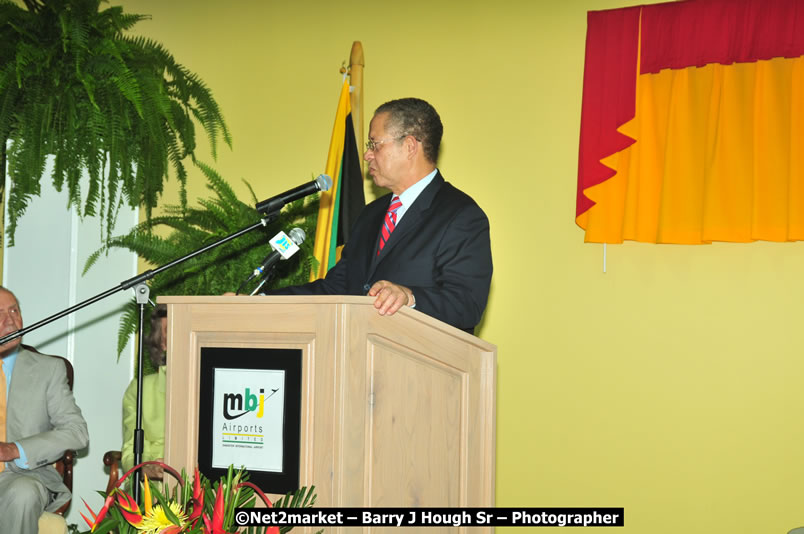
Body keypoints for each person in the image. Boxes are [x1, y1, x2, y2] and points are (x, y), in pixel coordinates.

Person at [270, 98, 493, 334]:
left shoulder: (460, 215)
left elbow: (467, 303)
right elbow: (336, 288)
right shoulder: (371, 214)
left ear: (409, 146)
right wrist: (262, 301)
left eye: (375, 144)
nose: (367, 155)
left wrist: (410, 297)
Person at [0, 286, 89, 534]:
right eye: (0, 313)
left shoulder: (48, 369)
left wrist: (14, 449)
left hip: (18, 477)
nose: (10, 320)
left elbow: (76, 432)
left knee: (23, 493)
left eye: (14, 310)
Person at [121, 304, 167, 480]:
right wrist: (148, 469)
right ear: (161, 342)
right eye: (172, 330)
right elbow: (129, 455)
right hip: (152, 488)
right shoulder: (141, 389)